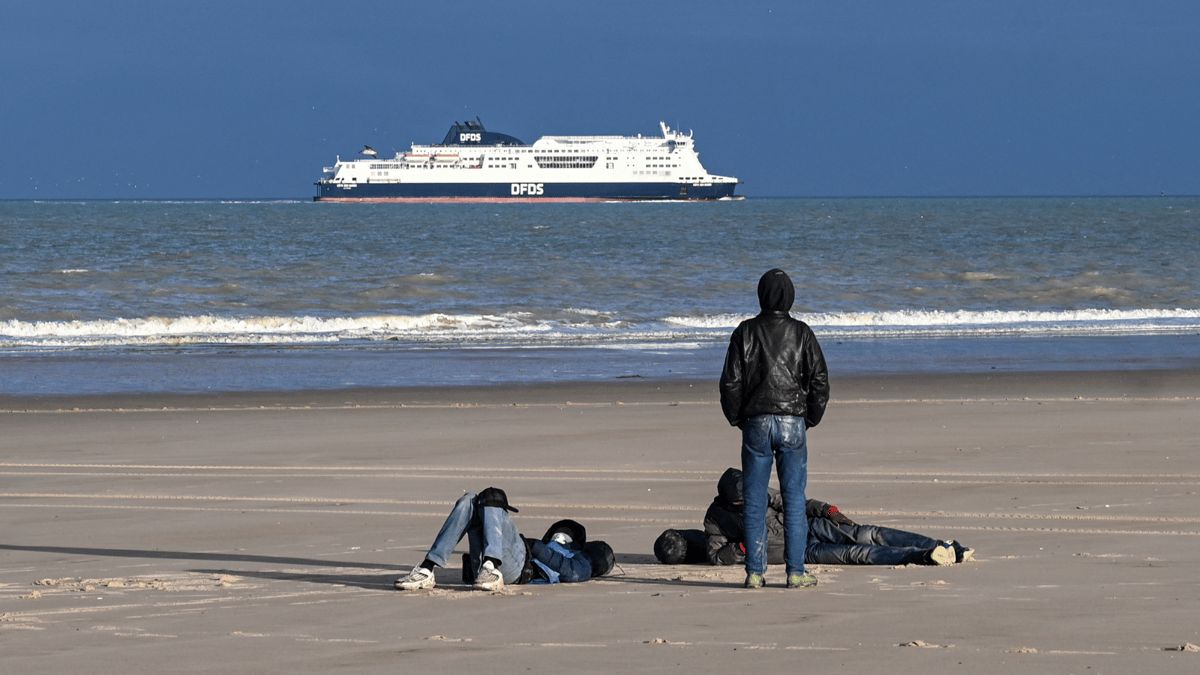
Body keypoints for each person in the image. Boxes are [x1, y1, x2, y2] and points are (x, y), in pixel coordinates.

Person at [719, 268, 830, 589]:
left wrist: (738, 418)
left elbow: (731, 382)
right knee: (794, 499)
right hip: (793, 421)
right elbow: (820, 380)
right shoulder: (801, 332)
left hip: (756, 422)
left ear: (761, 296)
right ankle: (795, 572)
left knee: (755, 501)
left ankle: (755, 572)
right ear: (790, 297)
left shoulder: (746, 332)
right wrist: (809, 417)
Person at [653, 468, 974, 567]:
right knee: (855, 554)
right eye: (742, 500)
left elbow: (790, 500)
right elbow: (716, 558)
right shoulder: (715, 519)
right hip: (796, 551)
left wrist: (826, 510)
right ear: (729, 501)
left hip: (805, 525)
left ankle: (943, 545)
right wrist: (741, 550)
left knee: (867, 533)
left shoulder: (757, 489)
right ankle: (924, 556)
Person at [394, 487, 614, 591]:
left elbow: (573, 574)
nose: (559, 536)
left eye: (565, 535)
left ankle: (491, 566)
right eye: (558, 532)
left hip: (520, 569)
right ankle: (427, 568)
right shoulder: (549, 544)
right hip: (497, 559)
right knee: (470, 499)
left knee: (493, 498)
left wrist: (536, 546)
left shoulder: (581, 560)